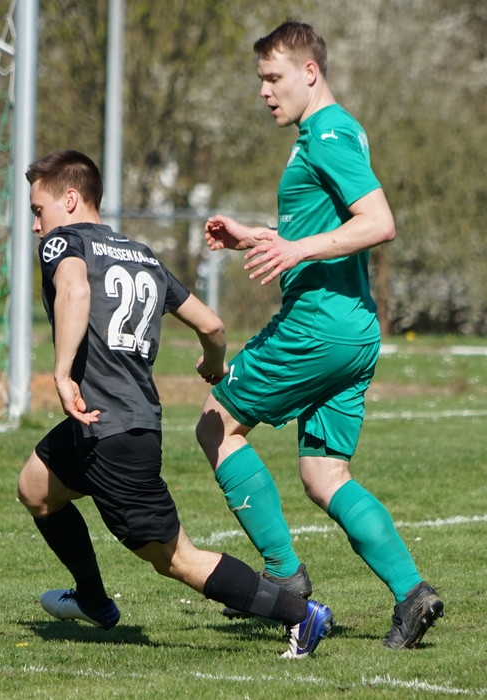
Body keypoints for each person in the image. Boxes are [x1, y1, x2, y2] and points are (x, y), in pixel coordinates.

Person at [17, 149, 333, 659]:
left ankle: (301, 615)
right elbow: (213, 325)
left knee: (177, 559)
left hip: (111, 431)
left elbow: (74, 291)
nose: (36, 225)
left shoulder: (63, 242)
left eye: (39, 210)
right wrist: (215, 364)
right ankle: (94, 601)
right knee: (35, 488)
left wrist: (61, 372)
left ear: (70, 200)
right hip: (120, 422)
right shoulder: (141, 254)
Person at [194, 21, 443, 649]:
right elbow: (322, 225)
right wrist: (256, 237)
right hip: (354, 329)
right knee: (324, 473)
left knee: (215, 424)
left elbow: (378, 222)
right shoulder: (338, 130)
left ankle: (284, 577)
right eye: (260, 80)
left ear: (310, 72)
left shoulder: (327, 135)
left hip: (318, 326)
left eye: (273, 78)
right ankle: (412, 593)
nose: (264, 91)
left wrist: (296, 250)